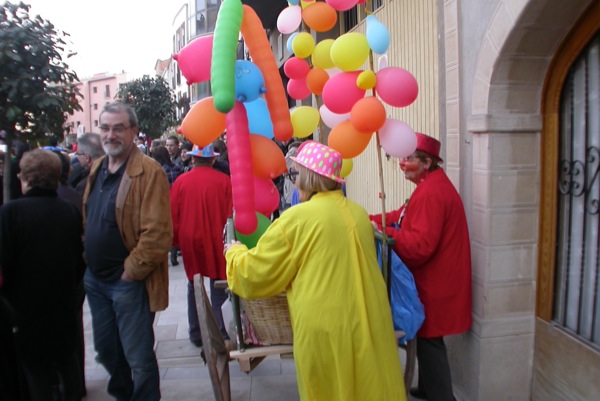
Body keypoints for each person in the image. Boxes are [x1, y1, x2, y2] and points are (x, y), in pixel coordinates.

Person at [225, 141, 406, 401]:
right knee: (369, 385)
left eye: (295, 174)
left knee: (329, 389)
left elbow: (254, 272)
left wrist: (234, 252)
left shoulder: (297, 218)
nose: (294, 182)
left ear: (308, 177)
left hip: (326, 326)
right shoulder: (357, 211)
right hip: (369, 318)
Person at [369, 133, 472, 401]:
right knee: (428, 337)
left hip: (436, 282)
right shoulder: (430, 185)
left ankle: (442, 396)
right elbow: (401, 215)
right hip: (437, 278)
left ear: (426, 163)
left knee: (430, 341)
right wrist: (370, 219)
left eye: (407, 158)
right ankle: (427, 389)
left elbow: (419, 247)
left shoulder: (432, 192)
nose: (402, 164)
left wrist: (380, 229)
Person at [82, 102, 173, 401]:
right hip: (95, 281)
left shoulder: (149, 171)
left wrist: (129, 273)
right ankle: (123, 395)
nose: (111, 134)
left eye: (118, 128)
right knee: (107, 352)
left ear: (134, 131)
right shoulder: (97, 167)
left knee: (138, 357)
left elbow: (158, 233)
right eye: (105, 128)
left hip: (127, 283)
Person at [0, 148, 85, 401]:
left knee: (35, 376)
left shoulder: (9, 213)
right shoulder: (69, 210)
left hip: (25, 311)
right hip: (62, 305)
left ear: (24, 177)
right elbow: (76, 259)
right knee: (67, 366)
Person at [170, 144, 233, 347]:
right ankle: (221, 332)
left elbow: (173, 214)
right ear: (213, 159)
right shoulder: (224, 181)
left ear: (193, 159)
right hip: (217, 237)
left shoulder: (180, 182)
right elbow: (231, 214)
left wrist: (176, 241)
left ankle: (196, 332)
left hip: (190, 238)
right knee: (218, 284)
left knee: (193, 284)